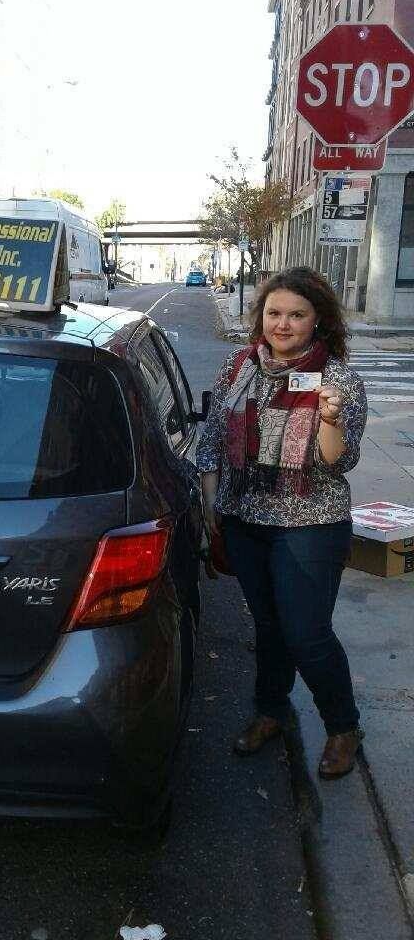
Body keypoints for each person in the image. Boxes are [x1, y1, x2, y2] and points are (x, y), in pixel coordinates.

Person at [196, 266, 368, 779]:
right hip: (244, 520)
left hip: (310, 523)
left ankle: (344, 727)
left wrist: (330, 419)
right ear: (262, 316)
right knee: (269, 627)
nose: (283, 324)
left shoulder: (337, 379)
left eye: (297, 315)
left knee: (306, 634)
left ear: (318, 320)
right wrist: (212, 513)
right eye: (275, 313)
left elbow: (339, 462)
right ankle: (270, 710)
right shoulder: (239, 366)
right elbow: (212, 441)